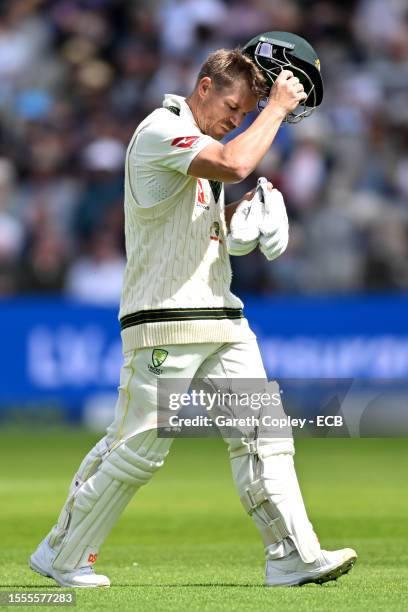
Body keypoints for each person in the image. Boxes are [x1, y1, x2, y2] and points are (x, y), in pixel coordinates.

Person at [30, 32, 357, 588]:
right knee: (136, 451)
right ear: (204, 88)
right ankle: (61, 554)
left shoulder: (197, 137)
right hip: (164, 319)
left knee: (265, 434)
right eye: (232, 108)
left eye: (245, 112)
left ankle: (292, 555)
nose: (235, 119)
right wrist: (276, 108)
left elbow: (202, 220)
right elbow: (232, 164)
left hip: (221, 317)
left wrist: (247, 221)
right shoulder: (161, 131)